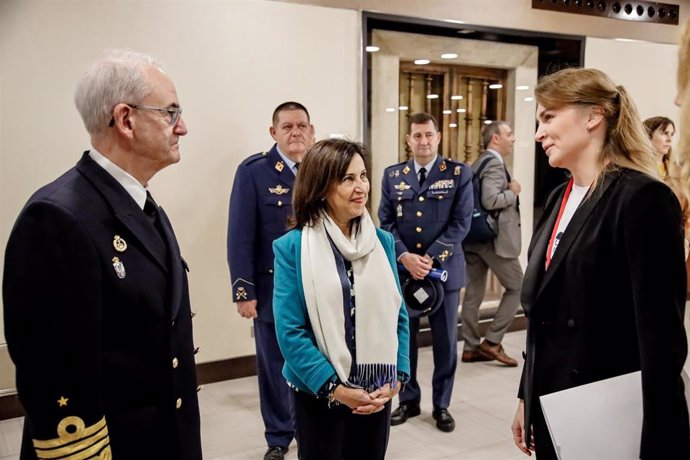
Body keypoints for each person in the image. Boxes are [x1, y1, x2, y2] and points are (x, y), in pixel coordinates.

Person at [2, 49, 202, 459]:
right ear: (126, 120)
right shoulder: (58, 218)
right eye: (170, 112)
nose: (182, 127)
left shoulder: (142, 205)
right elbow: (55, 376)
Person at [511, 67, 690, 459]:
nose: (539, 133)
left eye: (548, 117)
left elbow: (661, 339)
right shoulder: (559, 197)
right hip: (555, 401)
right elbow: (544, 317)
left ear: (593, 116)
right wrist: (527, 394)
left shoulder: (643, 199)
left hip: (609, 410)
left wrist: (661, 439)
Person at [272, 138, 410, 460]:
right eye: (347, 178)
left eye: (363, 176)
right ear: (321, 187)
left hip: (376, 388)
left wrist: (397, 378)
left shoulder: (383, 242)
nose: (360, 186)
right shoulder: (292, 247)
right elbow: (290, 332)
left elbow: (398, 315)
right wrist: (337, 389)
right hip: (318, 393)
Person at [227, 101, 314, 460]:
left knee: (314, 362)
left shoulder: (323, 167)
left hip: (318, 288)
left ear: (312, 130)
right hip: (271, 289)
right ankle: (278, 436)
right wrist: (243, 291)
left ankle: (310, 428)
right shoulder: (254, 172)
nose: (295, 132)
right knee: (274, 366)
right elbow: (240, 235)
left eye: (302, 126)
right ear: (273, 132)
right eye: (287, 126)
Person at [378, 112, 473, 432]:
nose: (423, 141)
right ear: (409, 139)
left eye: (428, 135)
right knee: (405, 340)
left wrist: (429, 258)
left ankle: (442, 404)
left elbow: (461, 223)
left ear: (438, 137)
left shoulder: (459, 173)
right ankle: (409, 400)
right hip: (405, 274)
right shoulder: (393, 176)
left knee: (446, 342)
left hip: (443, 274)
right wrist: (404, 256)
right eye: (417, 135)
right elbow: (386, 222)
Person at [461, 121, 522, 367]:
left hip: (473, 238)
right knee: (518, 287)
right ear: (495, 138)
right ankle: (493, 341)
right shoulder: (495, 164)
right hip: (493, 240)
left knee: (474, 294)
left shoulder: (479, 162)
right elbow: (491, 199)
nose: (513, 139)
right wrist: (513, 191)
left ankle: (470, 347)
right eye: (509, 134)